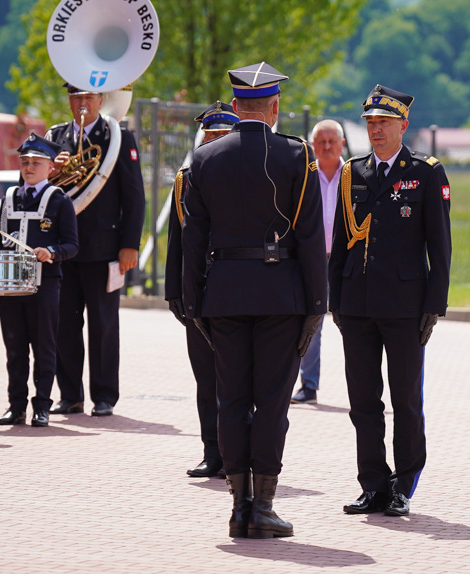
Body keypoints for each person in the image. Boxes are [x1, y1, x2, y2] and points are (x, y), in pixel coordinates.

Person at [183, 62, 327, 539]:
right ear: (275, 106)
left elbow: (192, 242)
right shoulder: (296, 155)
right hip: (279, 295)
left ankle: (238, 505)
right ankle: (262, 506)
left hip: (222, 293)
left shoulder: (204, 160)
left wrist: (193, 304)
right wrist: (317, 304)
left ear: (237, 104)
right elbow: (308, 237)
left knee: (231, 401)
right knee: (271, 403)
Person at [329, 84, 451, 517]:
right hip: (357, 304)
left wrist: (433, 307)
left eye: (383, 123)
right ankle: (373, 485)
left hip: (404, 307)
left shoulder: (426, 172)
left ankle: (404, 483)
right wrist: (334, 300)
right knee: (363, 401)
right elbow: (341, 242)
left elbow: (440, 246)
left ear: (403, 125)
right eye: (370, 123)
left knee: (405, 401)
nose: (375, 130)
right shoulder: (351, 172)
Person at [46, 83, 145, 418]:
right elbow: (41, 191)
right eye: (76, 97)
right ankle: (69, 394)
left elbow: (134, 196)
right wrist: (51, 172)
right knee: (64, 324)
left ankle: (104, 396)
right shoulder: (55, 136)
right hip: (63, 248)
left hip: (104, 248)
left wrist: (129, 245)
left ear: (102, 100)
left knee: (103, 324)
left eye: (88, 97)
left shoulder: (118, 136)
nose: (82, 103)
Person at [166, 101, 238, 478]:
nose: (213, 141)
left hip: (234, 287)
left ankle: (238, 453)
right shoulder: (185, 179)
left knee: (238, 377)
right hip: (199, 290)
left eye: (221, 135)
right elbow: (176, 240)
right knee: (205, 377)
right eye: (209, 135)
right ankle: (212, 451)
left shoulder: (244, 177)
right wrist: (173, 291)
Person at [0, 133, 78, 427]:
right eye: (25, 162)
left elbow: (72, 245)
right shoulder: (9, 197)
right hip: (11, 286)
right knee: (14, 348)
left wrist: (50, 251)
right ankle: (15, 406)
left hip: (44, 286)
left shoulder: (59, 201)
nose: (29, 167)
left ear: (50, 167)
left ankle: (42, 405)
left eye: (36, 163)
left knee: (43, 346)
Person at [290, 119, 346, 405]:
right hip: (311, 260)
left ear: (342, 145)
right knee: (310, 322)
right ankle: (308, 385)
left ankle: (364, 386)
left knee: (355, 322)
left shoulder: (354, 174)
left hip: (345, 259)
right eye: (321, 142)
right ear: (312, 145)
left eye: (331, 142)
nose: (326, 147)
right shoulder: (304, 175)